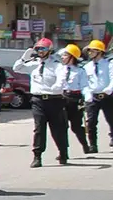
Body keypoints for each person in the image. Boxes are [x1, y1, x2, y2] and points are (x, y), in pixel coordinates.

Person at [14, 38, 68, 168]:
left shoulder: (56, 65)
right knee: (39, 129)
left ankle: (63, 152)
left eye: (43, 49)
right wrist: (24, 57)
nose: (40, 52)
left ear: (49, 50)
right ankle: (37, 156)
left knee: (57, 129)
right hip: (38, 100)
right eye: (38, 49)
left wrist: (57, 86)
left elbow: (62, 78)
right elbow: (17, 68)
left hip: (54, 100)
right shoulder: (34, 64)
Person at [82, 40, 113, 153]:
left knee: (112, 120)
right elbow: (85, 82)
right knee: (91, 122)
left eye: (92, 50)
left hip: (107, 96)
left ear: (99, 51)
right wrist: (87, 94)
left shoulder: (109, 64)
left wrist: (109, 88)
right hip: (93, 97)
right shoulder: (87, 66)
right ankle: (93, 144)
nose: (89, 53)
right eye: (89, 50)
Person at [58, 44, 91, 156]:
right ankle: (63, 151)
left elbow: (84, 85)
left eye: (65, 55)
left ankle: (85, 144)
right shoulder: (59, 69)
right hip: (62, 98)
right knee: (62, 126)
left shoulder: (80, 71)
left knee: (76, 127)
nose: (62, 57)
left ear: (72, 57)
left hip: (75, 99)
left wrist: (87, 96)